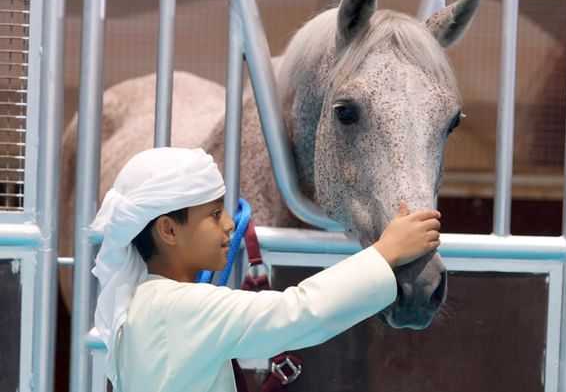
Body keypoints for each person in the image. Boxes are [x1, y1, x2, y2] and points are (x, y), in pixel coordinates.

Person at [91, 147, 442, 392]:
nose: (230, 224)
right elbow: (299, 312)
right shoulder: (177, 309)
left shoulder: (147, 306)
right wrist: (385, 252)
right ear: (168, 230)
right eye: (214, 215)